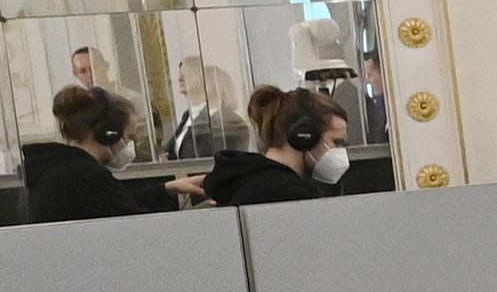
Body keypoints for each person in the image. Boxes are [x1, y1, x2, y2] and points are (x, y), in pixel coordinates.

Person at [17, 84, 194, 220]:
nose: (130, 145)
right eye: (129, 138)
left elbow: (115, 201)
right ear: (109, 134)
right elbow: (134, 223)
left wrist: (169, 188)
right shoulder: (85, 175)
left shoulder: (56, 167)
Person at [200, 84, 355, 206]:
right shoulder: (292, 195)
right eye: (336, 142)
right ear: (304, 136)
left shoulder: (246, 178)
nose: (340, 153)